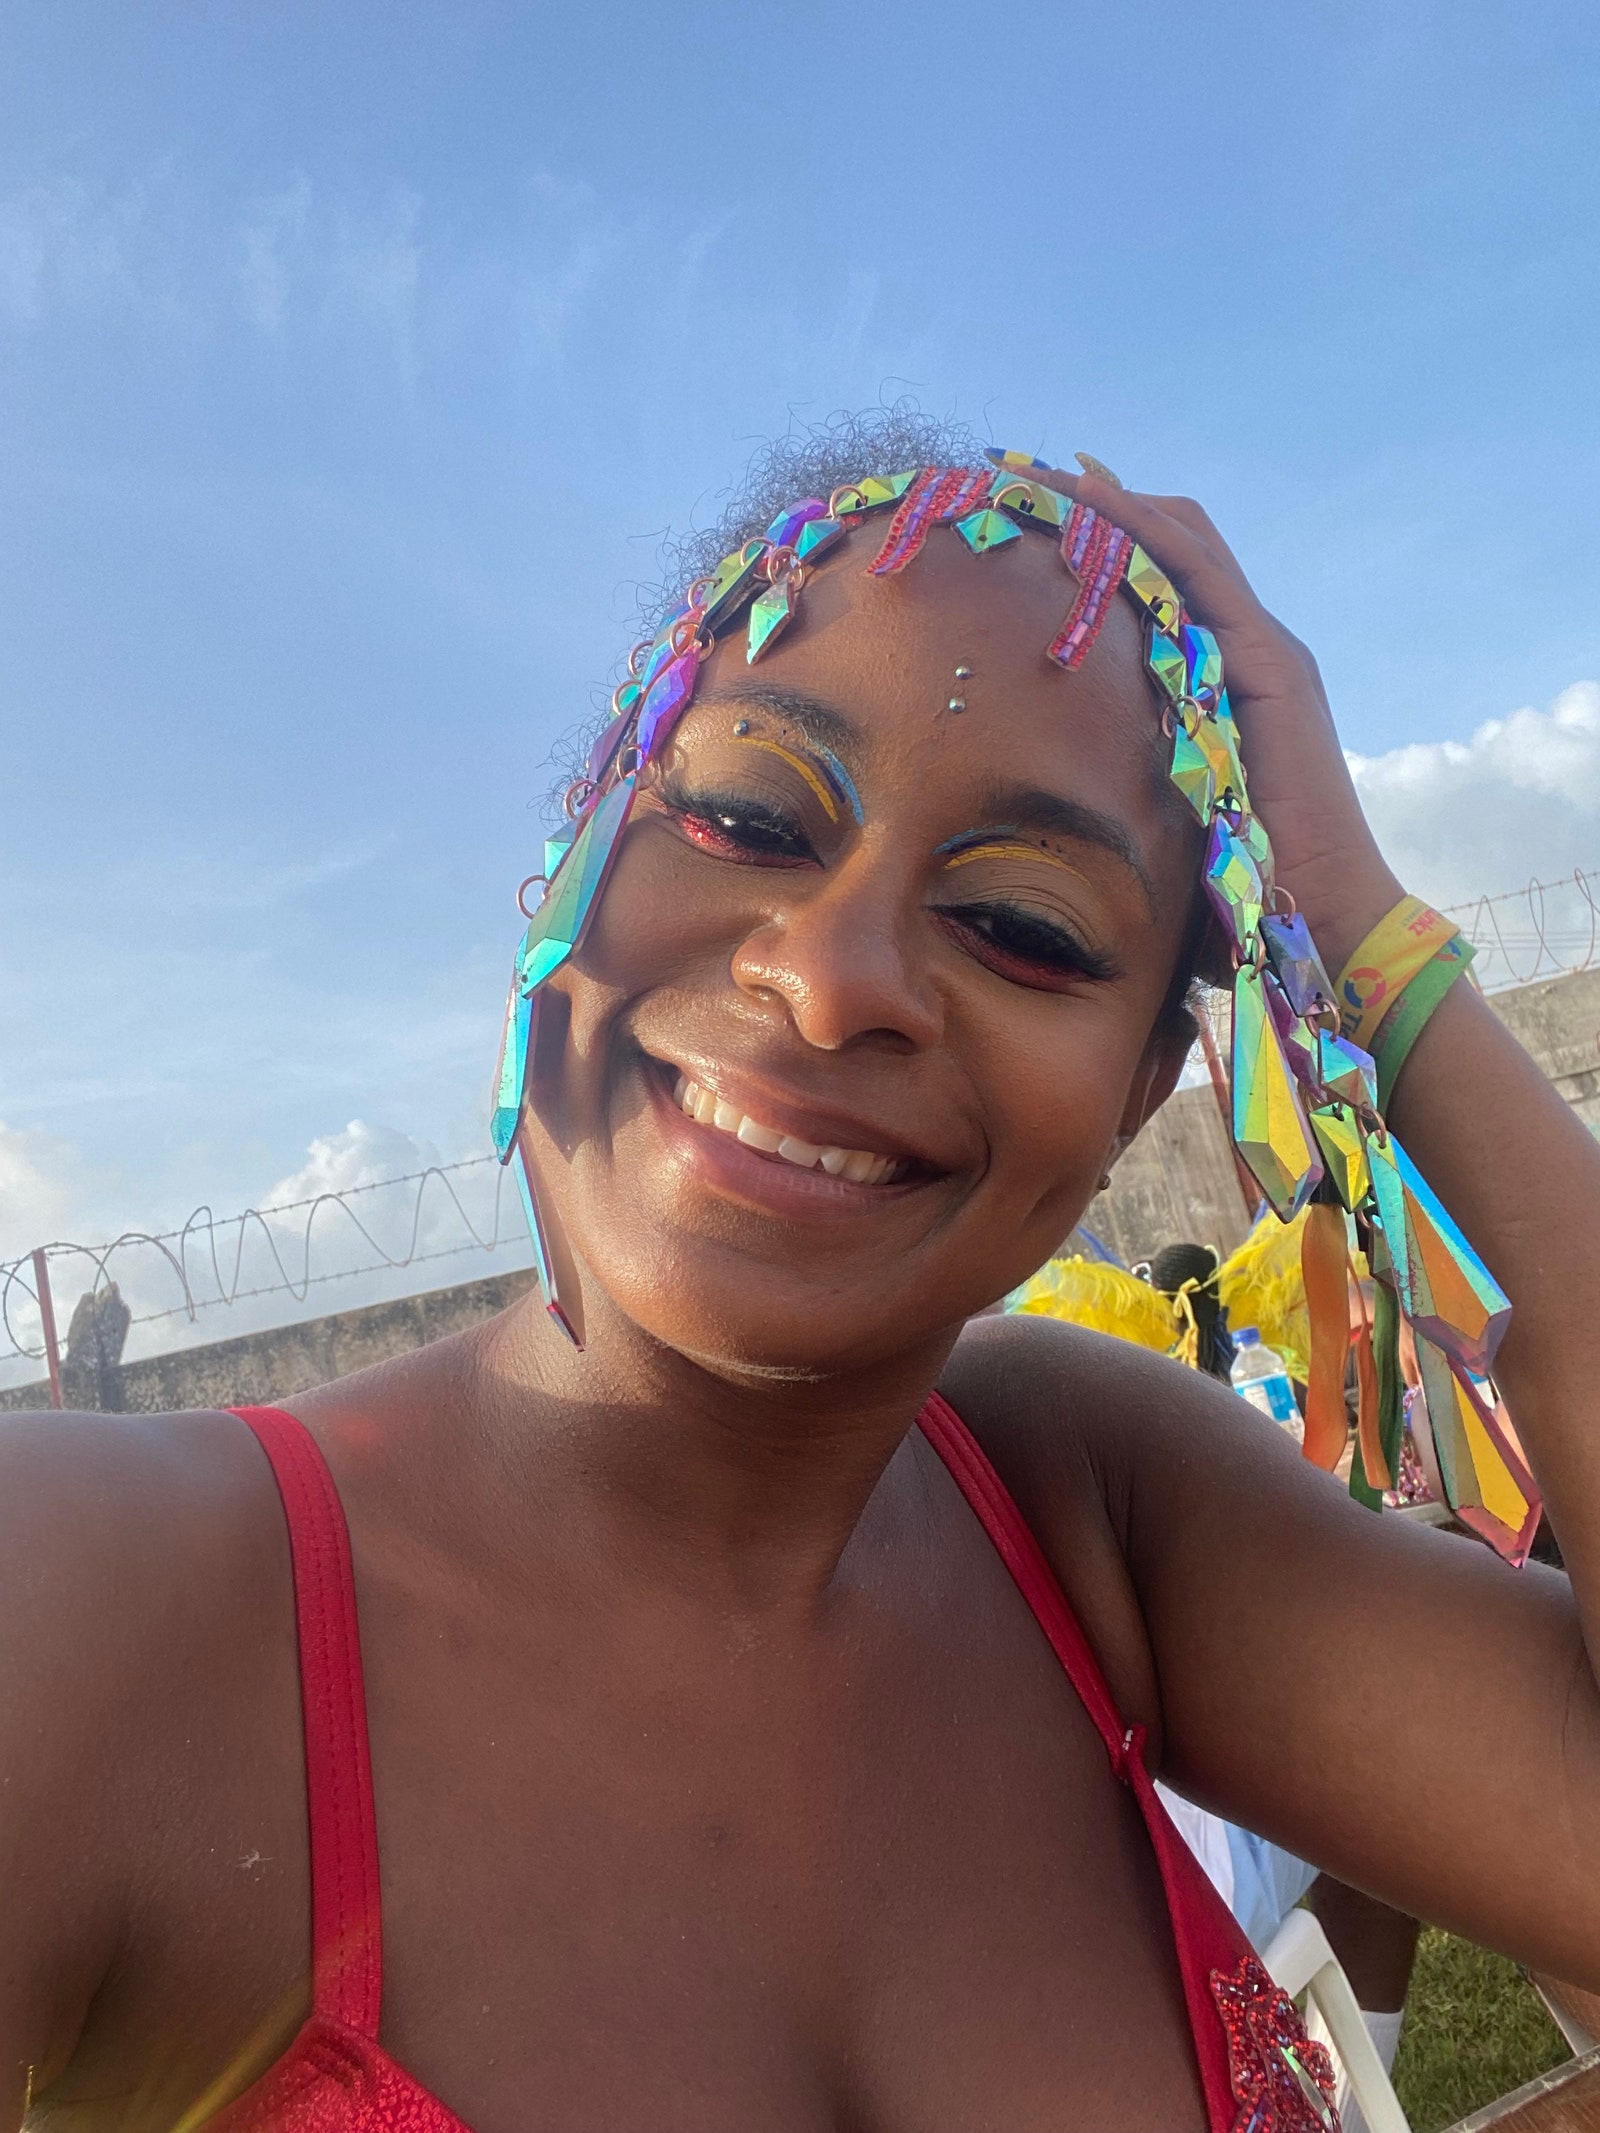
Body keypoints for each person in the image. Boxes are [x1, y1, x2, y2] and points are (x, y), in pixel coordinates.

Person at [5, 412, 1599, 2133]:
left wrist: (1353, 923)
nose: (833, 975)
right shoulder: (91, 1603)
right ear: (584, 834)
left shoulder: (1087, 1508)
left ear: (1144, 1094)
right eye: (754, 813)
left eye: (1028, 927)